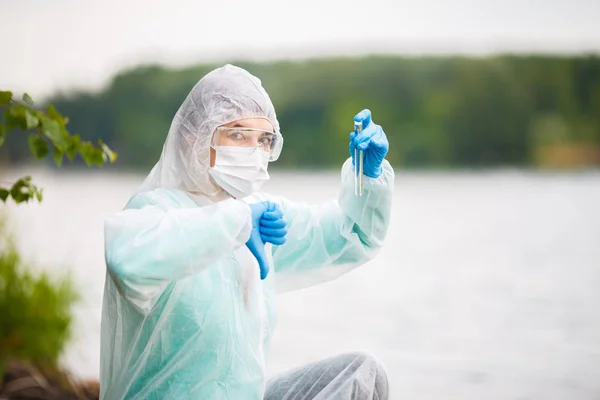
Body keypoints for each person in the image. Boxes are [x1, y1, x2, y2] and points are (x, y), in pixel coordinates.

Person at [100, 64, 394, 399]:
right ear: (194, 136)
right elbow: (128, 260)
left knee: (361, 373)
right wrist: (237, 221)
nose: (254, 152)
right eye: (237, 135)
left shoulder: (260, 216)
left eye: (264, 140)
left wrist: (367, 177)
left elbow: (348, 236)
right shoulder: (157, 212)